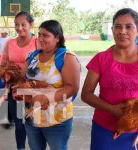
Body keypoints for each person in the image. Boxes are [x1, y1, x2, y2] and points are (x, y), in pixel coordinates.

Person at [17, 20, 80, 150]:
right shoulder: (32, 56)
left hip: (57, 120)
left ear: (57, 38)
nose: (40, 39)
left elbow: (72, 87)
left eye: (45, 35)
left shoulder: (66, 57)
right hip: (32, 118)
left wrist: (46, 97)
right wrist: (16, 87)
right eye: (39, 34)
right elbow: (20, 79)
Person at [81, 8, 138, 150]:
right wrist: (112, 109)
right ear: (112, 30)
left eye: (129, 26)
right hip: (105, 128)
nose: (122, 31)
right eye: (117, 27)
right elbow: (86, 94)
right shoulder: (101, 59)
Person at [0, 11, 38, 150]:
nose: (19, 28)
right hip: (14, 91)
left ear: (31, 25)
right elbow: (3, 65)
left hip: (33, 91)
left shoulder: (38, 42)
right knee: (19, 125)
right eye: (16, 25)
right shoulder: (10, 43)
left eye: (23, 24)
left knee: (32, 124)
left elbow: (45, 65)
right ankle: (20, 148)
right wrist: (7, 73)